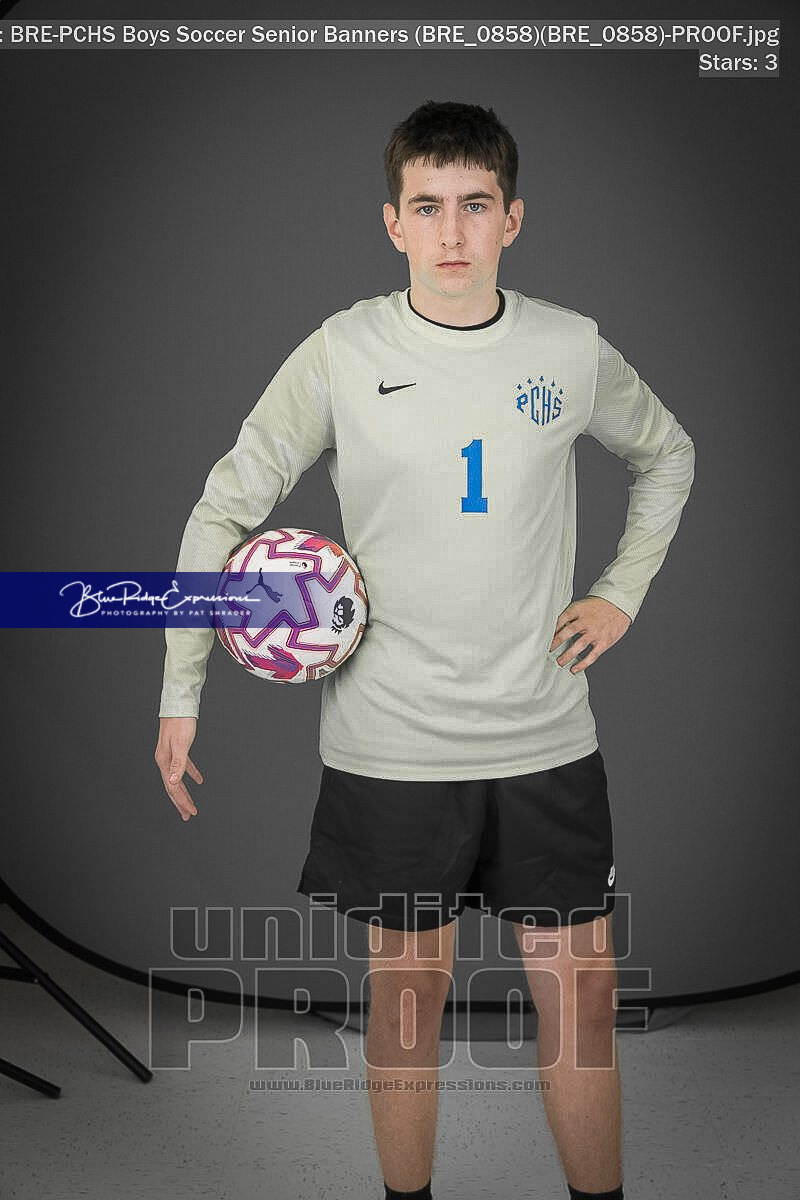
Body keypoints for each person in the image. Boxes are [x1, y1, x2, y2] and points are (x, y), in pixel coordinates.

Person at [154, 100, 695, 1200]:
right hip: (391, 745)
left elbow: (667, 454)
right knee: (405, 1005)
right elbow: (221, 509)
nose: (453, 232)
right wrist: (181, 691)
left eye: (475, 206)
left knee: (583, 1002)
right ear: (392, 222)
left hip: (543, 735)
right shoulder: (341, 351)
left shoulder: (568, 347)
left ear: (512, 219)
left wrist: (619, 594)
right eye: (428, 206)